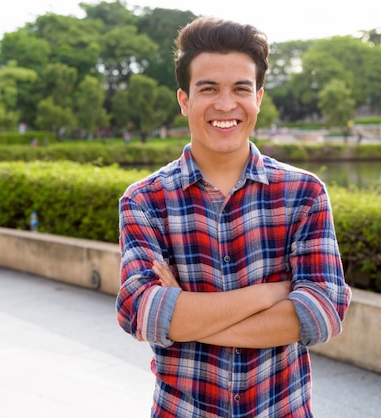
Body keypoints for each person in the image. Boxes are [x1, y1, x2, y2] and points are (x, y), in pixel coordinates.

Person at [116, 17, 352, 417]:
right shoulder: (145, 200)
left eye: (240, 89)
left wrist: (185, 317)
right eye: (208, 89)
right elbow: (140, 311)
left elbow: (322, 311)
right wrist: (271, 294)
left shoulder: (304, 193)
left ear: (258, 97)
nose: (226, 105)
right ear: (184, 100)